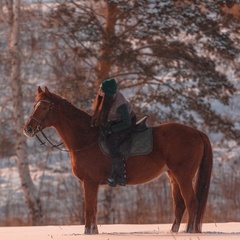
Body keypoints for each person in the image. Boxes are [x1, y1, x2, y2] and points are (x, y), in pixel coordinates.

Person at [92, 78, 136, 187]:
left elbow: (127, 123)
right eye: (100, 89)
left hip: (127, 122)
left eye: (101, 90)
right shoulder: (106, 98)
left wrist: (111, 129)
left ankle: (120, 176)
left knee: (111, 141)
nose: (99, 91)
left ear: (108, 94)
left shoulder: (120, 105)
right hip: (116, 120)